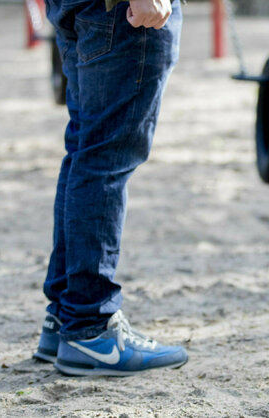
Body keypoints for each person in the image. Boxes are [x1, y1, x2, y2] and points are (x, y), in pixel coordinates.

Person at [32, 0, 188, 376]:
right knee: (105, 157)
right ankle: (90, 327)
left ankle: (65, 318)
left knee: (87, 150)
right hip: (121, 11)